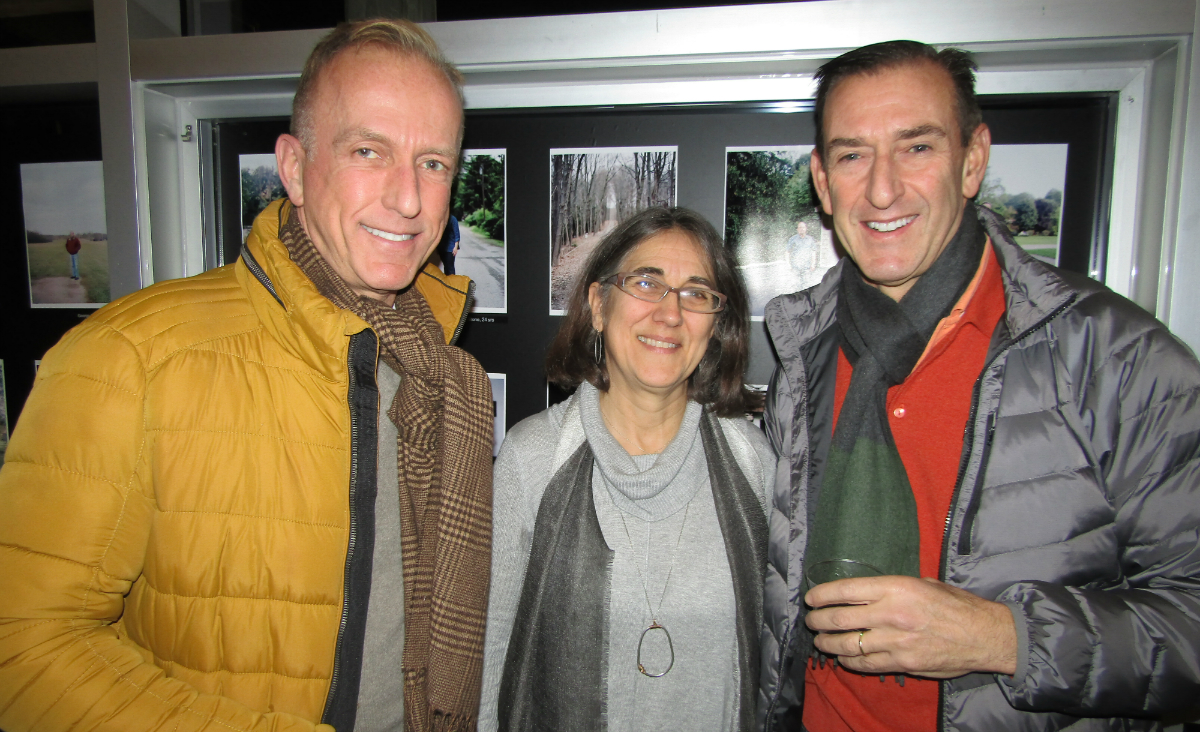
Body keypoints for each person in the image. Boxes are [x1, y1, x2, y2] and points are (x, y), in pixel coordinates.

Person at [0, 19, 495, 732]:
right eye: (368, 151)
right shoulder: (130, 357)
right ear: (293, 167)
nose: (409, 199)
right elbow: (23, 647)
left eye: (434, 163)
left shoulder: (445, 377)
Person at [759, 40, 1200, 731]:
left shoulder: (1118, 359)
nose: (881, 189)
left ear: (972, 161)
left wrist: (1003, 638)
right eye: (852, 155)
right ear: (822, 181)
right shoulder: (801, 352)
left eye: (917, 148)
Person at [481, 207, 775, 732]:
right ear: (598, 305)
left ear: (716, 325)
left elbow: (772, 660)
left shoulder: (751, 465)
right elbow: (491, 654)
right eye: (646, 283)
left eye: (697, 294)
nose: (670, 314)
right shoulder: (533, 460)